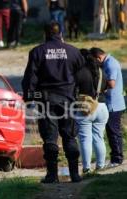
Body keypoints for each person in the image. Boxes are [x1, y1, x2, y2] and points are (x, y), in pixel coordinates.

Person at [22, 22, 84, 183]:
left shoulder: (37, 52)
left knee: (50, 138)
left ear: (45, 34)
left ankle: (52, 175)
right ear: (61, 33)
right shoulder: (74, 52)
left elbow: (31, 78)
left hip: (46, 101)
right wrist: (80, 95)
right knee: (70, 137)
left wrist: (29, 97)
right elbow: (82, 76)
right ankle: (75, 174)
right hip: (68, 101)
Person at [90, 47, 126, 167]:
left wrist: (99, 88)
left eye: (95, 61)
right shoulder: (108, 62)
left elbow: (111, 83)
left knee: (113, 132)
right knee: (112, 132)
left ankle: (117, 159)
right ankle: (116, 156)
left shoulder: (110, 64)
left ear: (98, 57)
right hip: (113, 103)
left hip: (114, 104)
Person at [75, 49, 109, 174]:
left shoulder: (79, 72)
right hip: (102, 107)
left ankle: (87, 168)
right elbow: (106, 88)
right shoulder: (101, 72)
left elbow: (73, 89)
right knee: (99, 138)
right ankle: (101, 166)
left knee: (85, 139)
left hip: (86, 108)